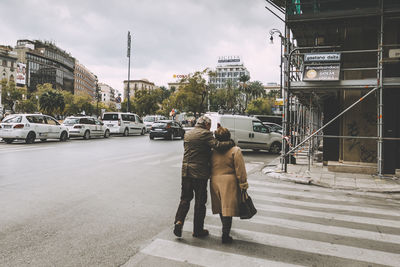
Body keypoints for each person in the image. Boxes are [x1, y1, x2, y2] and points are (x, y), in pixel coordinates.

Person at [173, 116, 234, 238]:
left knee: (185, 199)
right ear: (206, 125)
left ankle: (179, 221)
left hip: (186, 171)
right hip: (199, 173)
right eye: (209, 125)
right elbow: (217, 145)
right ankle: (197, 230)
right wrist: (230, 143)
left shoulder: (188, 134)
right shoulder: (206, 134)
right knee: (200, 202)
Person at [210, 127, 248, 243]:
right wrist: (243, 183)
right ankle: (225, 235)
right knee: (228, 209)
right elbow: (240, 169)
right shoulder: (235, 150)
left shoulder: (212, 150)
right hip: (229, 182)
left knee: (222, 208)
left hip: (215, 181)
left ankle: (225, 230)